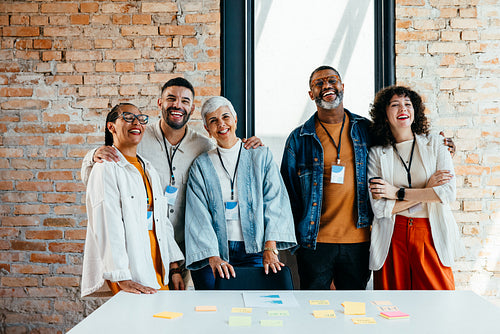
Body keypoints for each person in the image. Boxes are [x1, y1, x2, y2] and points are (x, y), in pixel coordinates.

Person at [81, 77, 262, 288]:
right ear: (160, 103)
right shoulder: (138, 136)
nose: (178, 105)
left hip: (188, 250)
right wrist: (92, 154)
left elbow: (229, 160)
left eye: (185, 101)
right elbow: (100, 176)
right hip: (140, 247)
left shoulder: (203, 146)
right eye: (171, 99)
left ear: (192, 108)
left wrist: (250, 147)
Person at [185, 96, 297, 290]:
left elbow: (275, 201)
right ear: (207, 129)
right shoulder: (201, 166)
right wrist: (213, 256)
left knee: (255, 307)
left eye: (225, 117)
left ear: (235, 120)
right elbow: (198, 215)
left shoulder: (260, 156)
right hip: (215, 251)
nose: (221, 124)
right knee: (214, 309)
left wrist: (270, 248)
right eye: (213, 120)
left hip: (255, 250)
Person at [281, 66, 372, 290]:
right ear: (311, 94)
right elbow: (288, 194)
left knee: (353, 310)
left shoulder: (367, 130)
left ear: (342, 86)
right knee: (315, 308)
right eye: (319, 83)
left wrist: (440, 147)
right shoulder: (299, 138)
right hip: (315, 243)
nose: (327, 86)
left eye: (332, 80)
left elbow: (401, 148)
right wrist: (295, 245)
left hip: (359, 242)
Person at [81, 103, 184, 297]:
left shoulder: (148, 168)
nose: (137, 122)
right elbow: (107, 225)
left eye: (141, 118)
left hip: (158, 268)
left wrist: (174, 267)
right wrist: (121, 277)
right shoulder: (106, 168)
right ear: (111, 127)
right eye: (127, 117)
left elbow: (161, 221)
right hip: (128, 270)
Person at [367, 85, 464, 290]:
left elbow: (447, 193)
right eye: (395, 105)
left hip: (429, 232)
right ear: (385, 115)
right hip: (392, 234)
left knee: (440, 300)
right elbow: (381, 209)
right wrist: (427, 190)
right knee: (392, 305)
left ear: (415, 111)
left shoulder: (437, 144)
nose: (403, 109)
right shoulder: (377, 153)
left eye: (407, 104)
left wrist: (397, 193)